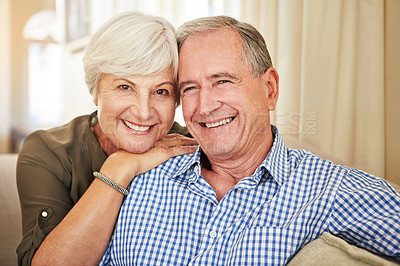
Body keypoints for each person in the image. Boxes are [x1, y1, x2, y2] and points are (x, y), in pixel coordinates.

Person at [100, 15, 400, 265]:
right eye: (190, 88)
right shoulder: (143, 179)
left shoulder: (326, 189)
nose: (205, 107)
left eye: (223, 81)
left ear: (269, 89)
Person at [16, 11, 197, 265]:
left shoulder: (192, 147)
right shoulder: (48, 150)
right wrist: (119, 167)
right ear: (95, 90)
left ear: (176, 99)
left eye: (161, 91)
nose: (143, 112)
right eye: (125, 87)